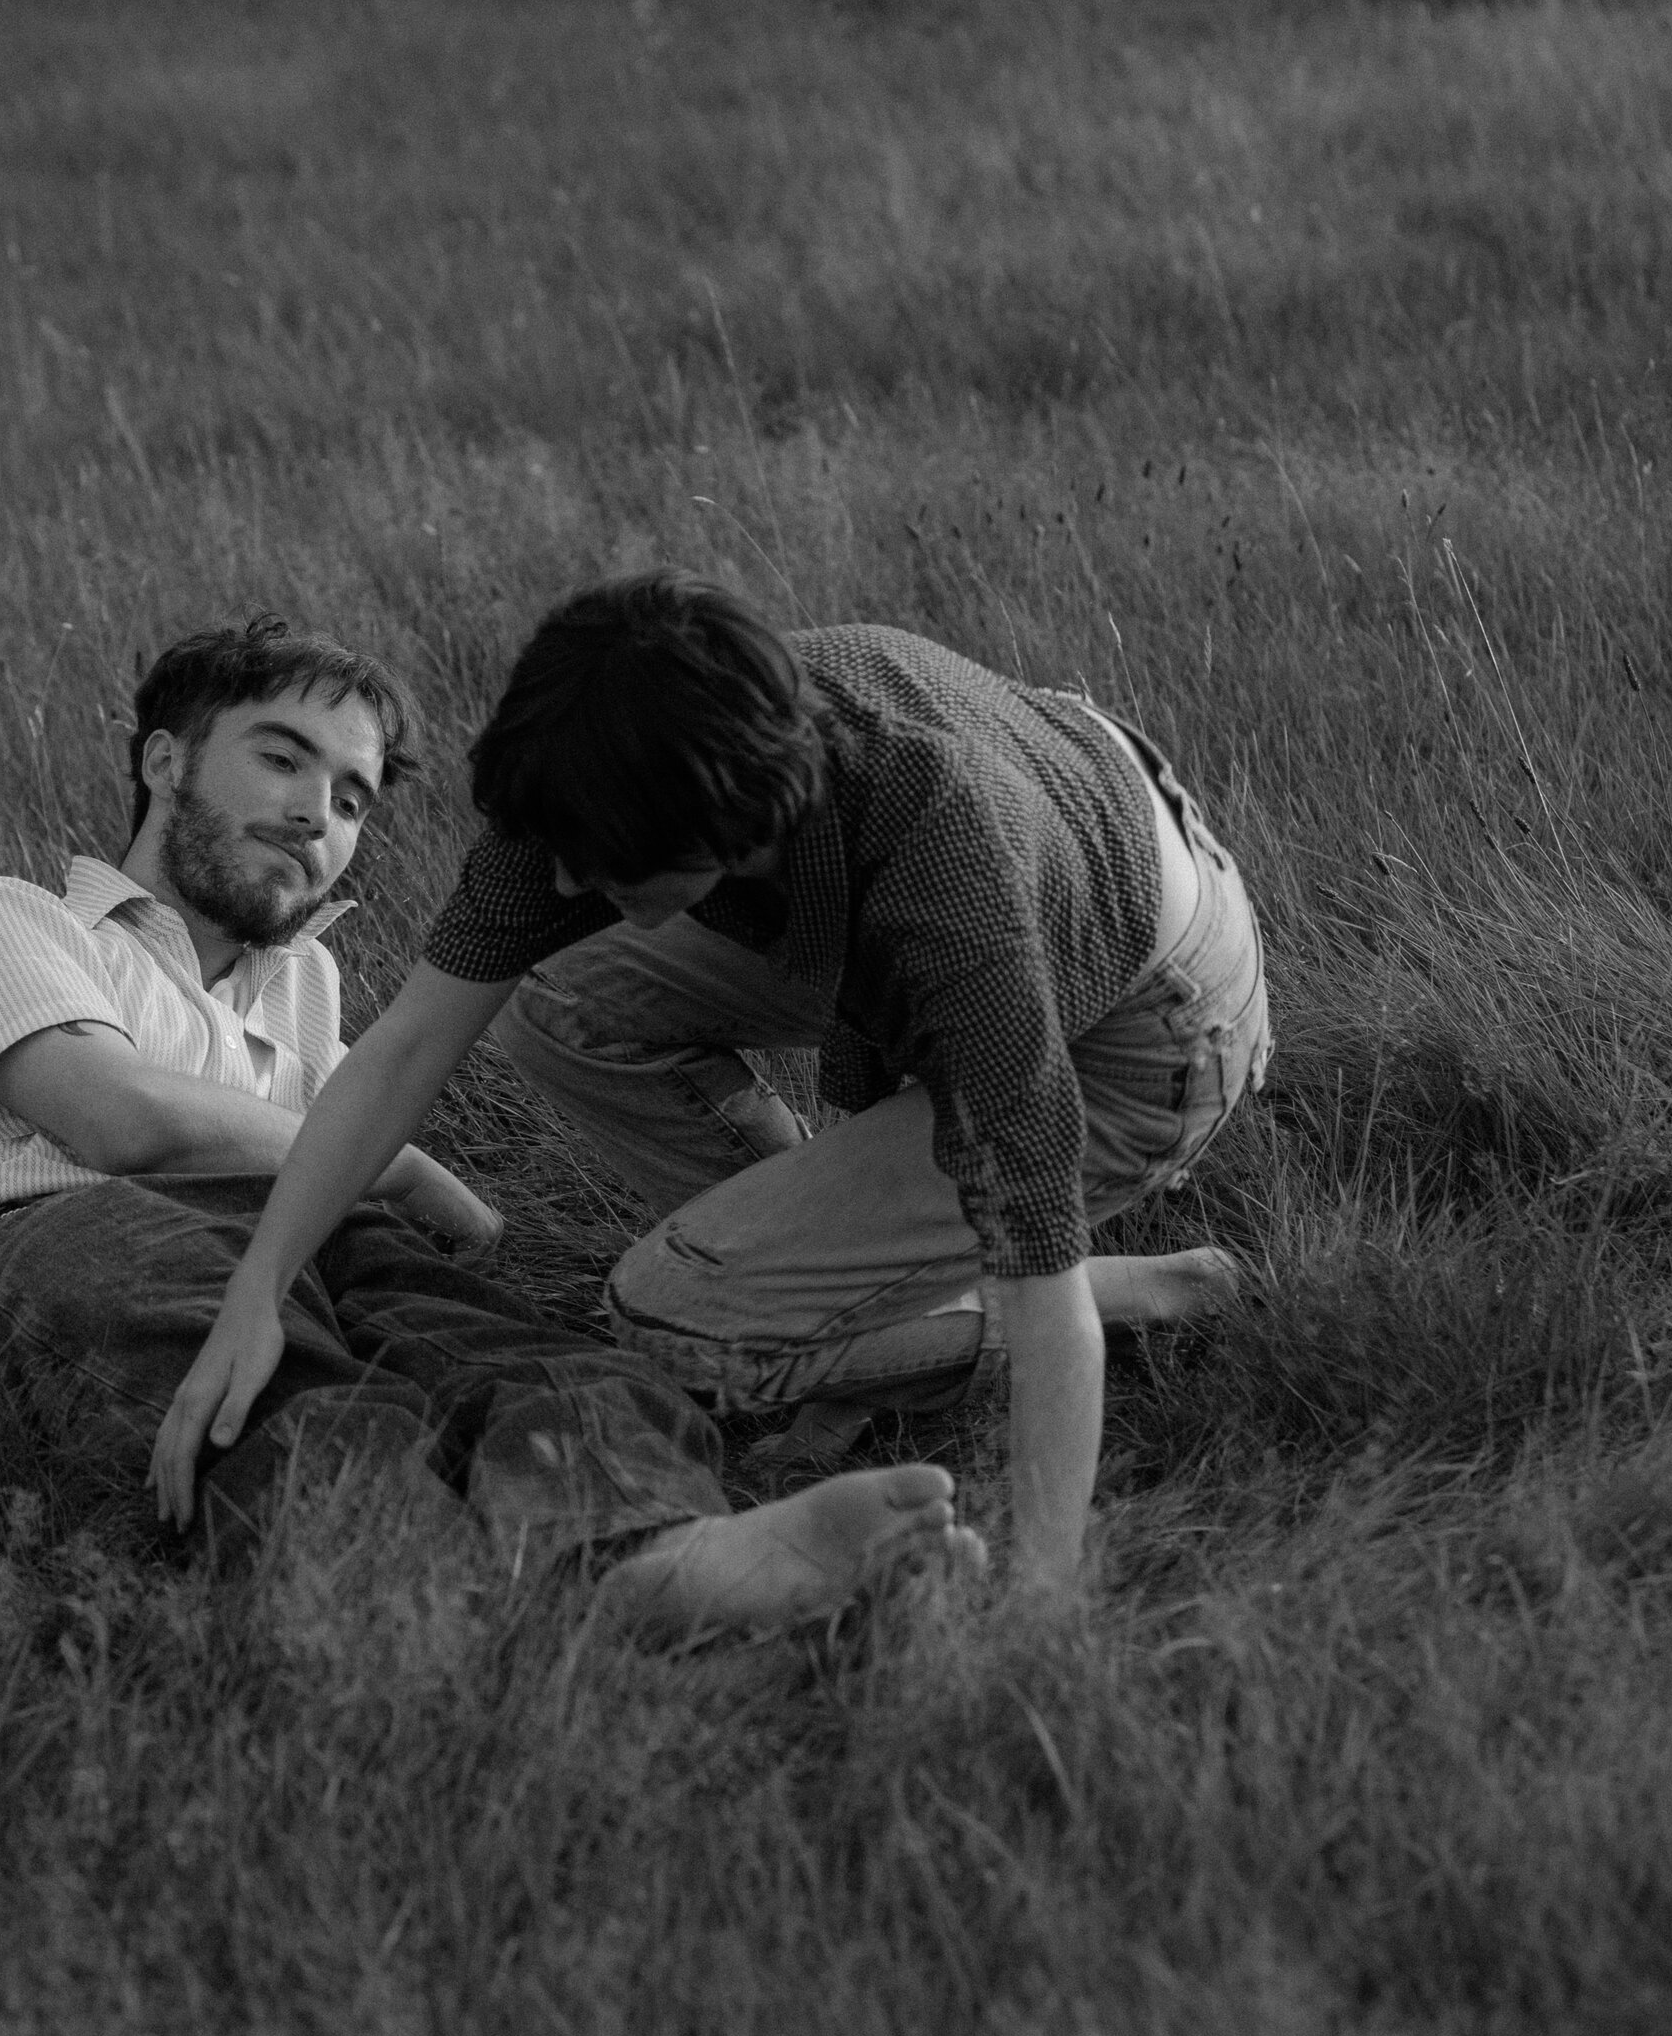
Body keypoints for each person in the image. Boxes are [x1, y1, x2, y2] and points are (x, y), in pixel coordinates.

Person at [156, 579, 1272, 1592]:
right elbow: (405, 1048)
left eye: (600, 868)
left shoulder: (948, 875)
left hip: (1144, 1020)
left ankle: (1099, 1295)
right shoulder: (602, 763)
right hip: (1066, 810)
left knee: (669, 1322)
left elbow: (1033, 1251)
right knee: (554, 997)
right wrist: (258, 1290)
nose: (558, 883)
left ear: (733, 836)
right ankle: (827, 1283)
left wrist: (1037, 1608)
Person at [0, 614, 979, 1639]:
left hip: (314, 1245)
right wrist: (399, 1170)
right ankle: (445, 1631)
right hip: (72, 1230)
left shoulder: (305, 982)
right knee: (303, 1404)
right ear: (164, 762)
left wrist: (373, 1205)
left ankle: (655, 1563)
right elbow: (120, 1120)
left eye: (353, 799)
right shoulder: (1, 914)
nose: (319, 815)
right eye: (281, 758)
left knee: (548, 1367)